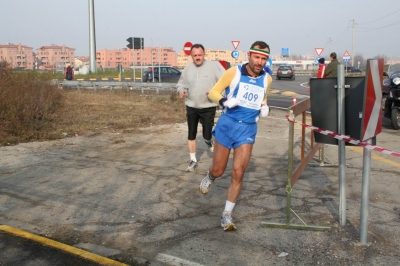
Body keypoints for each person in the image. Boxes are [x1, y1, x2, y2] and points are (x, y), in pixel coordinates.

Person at [199, 41, 272, 231]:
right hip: (227, 126)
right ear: (249, 55)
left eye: (264, 58)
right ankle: (210, 176)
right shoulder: (234, 73)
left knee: (238, 172)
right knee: (219, 170)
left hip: (247, 130)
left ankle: (227, 215)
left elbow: (262, 99)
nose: (260, 62)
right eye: (257, 57)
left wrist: (265, 107)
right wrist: (224, 101)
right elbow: (213, 92)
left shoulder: (267, 79)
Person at [176, 44, 225, 172]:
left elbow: (223, 83)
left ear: (204, 54)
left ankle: (209, 141)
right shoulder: (187, 69)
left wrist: (217, 94)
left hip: (208, 106)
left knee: (207, 134)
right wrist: (181, 91)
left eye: (200, 55)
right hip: (191, 105)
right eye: (195, 55)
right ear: (191, 56)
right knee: (191, 133)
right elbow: (181, 84)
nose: (197, 58)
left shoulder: (214, 67)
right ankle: (193, 160)